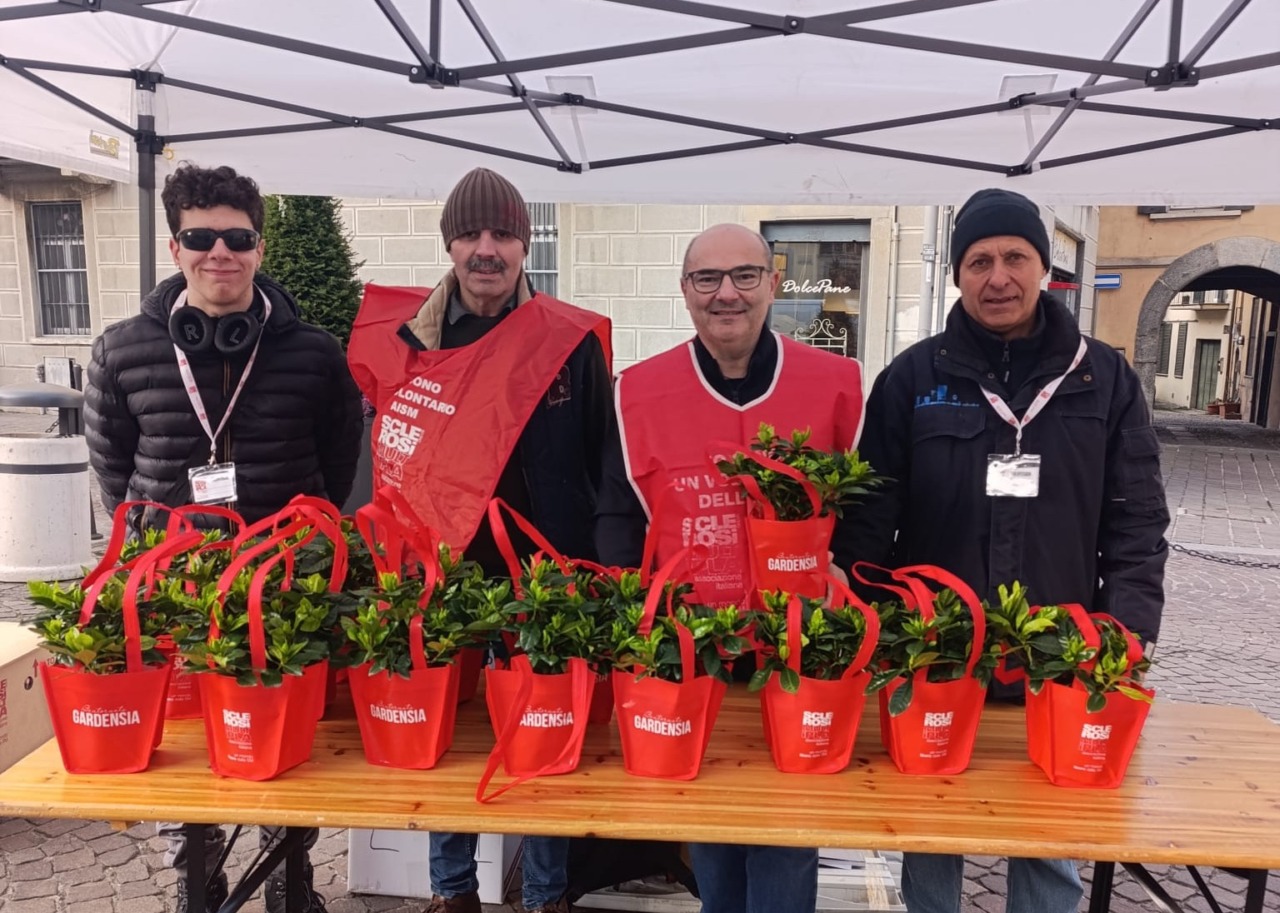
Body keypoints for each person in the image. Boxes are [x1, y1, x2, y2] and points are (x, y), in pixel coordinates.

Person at [838, 188, 1169, 913]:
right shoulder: (912, 379)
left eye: (1015, 257)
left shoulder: (1103, 379)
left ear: (1043, 268)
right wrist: (871, 627)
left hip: (1061, 653)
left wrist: (1130, 629)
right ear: (958, 274)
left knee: (1051, 840)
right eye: (980, 260)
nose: (998, 277)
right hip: (937, 656)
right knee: (929, 832)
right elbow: (868, 519)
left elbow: (1137, 521)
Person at [84, 163, 363, 913]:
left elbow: (339, 462)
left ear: (260, 247)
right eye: (200, 237)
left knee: (284, 742)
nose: (220, 253)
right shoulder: (122, 350)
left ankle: (291, 875)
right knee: (184, 748)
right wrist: (157, 537)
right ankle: (192, 876)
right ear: (174, 246)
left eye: (236, 238)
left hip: (284, 584)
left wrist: (297, 542)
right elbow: (113, 474)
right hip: (174, 587)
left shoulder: (313, 351)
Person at [346, 167, 613, 913]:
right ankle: (451, 890)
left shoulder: (567, 343)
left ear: (525, 244)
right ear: (450, 243)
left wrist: (593, 568)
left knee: (544, 738)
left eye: (503, 233)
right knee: (441, 742)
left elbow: (601, 457)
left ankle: (548, 894)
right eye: (471, 233)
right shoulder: (407, 344)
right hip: (441, 574)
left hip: (544, 576)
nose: (486, 249)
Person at [595, 223, 865, 913]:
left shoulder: (836, 384)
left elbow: (866, 516)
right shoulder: (638, 392)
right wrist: (634, 626)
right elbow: (619, 519)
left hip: (798, 655)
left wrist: (850, 605)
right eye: (706, 279)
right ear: (685, 291)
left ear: (773, 282)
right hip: (693, 658)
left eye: (744, 275)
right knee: (710, 827)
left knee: (785, 834)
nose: (727, 294)